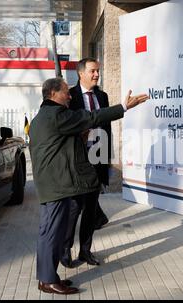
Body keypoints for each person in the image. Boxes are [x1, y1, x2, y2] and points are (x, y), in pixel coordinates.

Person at [29, 77, 148, 294]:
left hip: (50, 184)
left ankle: (48, 277)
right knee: (51, 233)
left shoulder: (42, 116)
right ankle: (47, 280)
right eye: (66, 91)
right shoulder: (57, 114)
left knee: (49, 231)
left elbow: (60, 145)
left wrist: (80, 139)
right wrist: (123, 107)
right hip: (56, 185)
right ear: (54, 93)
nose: (70, 95)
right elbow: (91, 117)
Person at [68, 58, 111, 231]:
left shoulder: (102, 96)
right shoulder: (71, 96)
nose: (96, 75)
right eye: (92, 71)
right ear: (81, 73)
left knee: (93, 194)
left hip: (98, 152)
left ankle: (94, 224)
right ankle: (96, 219)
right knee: (79, 198)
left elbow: (106, 126)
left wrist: (107, 154)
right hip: (80, 154)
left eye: (98, 71)